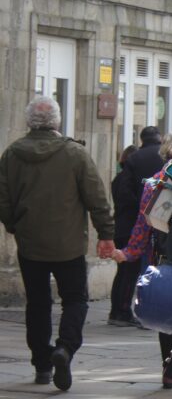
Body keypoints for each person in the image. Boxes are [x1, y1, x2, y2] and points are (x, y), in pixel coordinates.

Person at [0, 96, 115, 391]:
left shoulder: (12, 154)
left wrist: (15, 224)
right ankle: (64, 348)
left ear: (29, 122)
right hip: (69, 245)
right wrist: (106, 233)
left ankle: (42, 364)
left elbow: (3, 198)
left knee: (37, 304)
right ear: (57, 121)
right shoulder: (74, 154)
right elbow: (97, 197)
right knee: (75, 300)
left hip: (30, 244)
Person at [112, 131, 172, 389]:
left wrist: (128, 252)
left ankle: (169, 370)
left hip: (162, 258)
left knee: (167, 312)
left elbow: (143, 226)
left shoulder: (155, 183)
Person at [108, 144, 141, 327]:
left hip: (119, 227)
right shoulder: (128, 180)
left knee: (122, 272)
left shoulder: (117, 178)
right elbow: (130, 202)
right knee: (129, 272)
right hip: (128, 229)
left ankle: (116, 310)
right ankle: (123, 310)